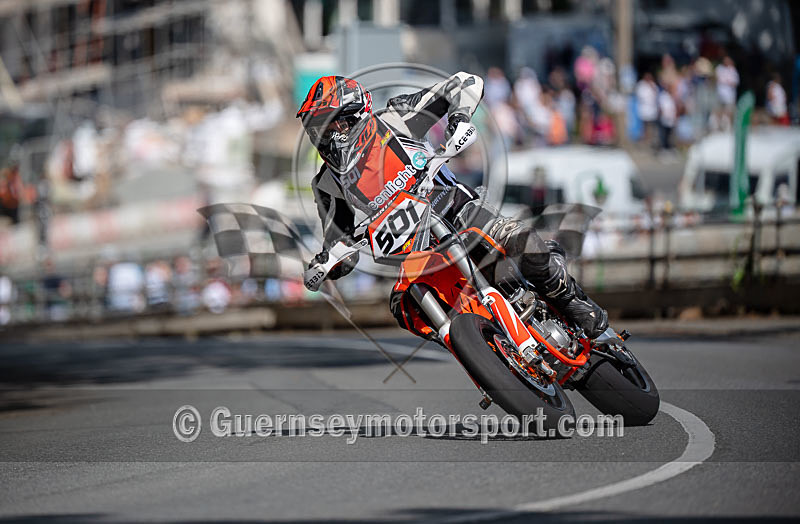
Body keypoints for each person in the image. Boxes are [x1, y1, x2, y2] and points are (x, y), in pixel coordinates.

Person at [296, 74, 608, 338]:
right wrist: (327, 263)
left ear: (356, 116)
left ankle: (570, 300)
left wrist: (457, 120)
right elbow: (337, 242)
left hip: (461, 213)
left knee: (524, 244)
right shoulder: (327, 184)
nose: (327, 139)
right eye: (318, 131)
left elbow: (465, 82)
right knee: (402, 306)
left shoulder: (396, 119)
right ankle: (483, 348)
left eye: (333, 126)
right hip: (416, 255)